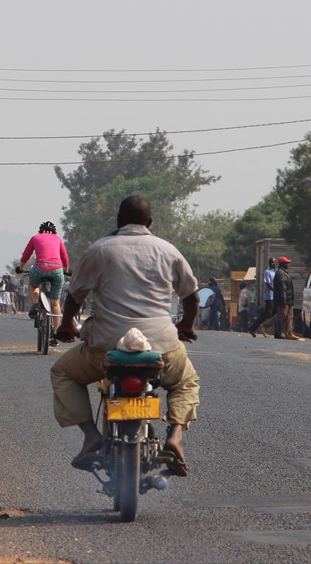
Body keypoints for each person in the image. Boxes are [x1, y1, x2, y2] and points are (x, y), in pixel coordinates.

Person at [52, 195, 200, 477]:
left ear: (118, 222)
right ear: (150, 222)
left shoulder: (99, 250)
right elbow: (191, 297)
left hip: (106, 348)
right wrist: (187, 327)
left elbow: (74, 296)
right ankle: (175, 437)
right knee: (185, 381)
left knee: (63, 372)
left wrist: (67, 325)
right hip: (160, 349)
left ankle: (91, 436)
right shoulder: (168, 250)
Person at [18, 221, 70, 343]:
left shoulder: (35, 238)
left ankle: (36, 304)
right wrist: (66, 270)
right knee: (55, 304)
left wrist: (21, 268)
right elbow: (65, 257)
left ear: (40, 231)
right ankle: (56, 334)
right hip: (57, 270)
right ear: (54, 232)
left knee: (32, 285)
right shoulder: (57, 239)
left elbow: (26, 255)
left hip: (39, 268)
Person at [252, 257, 298, 340]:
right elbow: (282, 288)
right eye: (286, 263)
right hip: (283, 299)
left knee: (290, 316)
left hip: (289, 299)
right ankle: (265, 326)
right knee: (281, 314)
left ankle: (289, 333)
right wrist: (283, 301)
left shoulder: (284, 273)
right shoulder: (280, 273)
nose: (288, 265)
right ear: (282, 264)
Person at [248, 258, 277, 337]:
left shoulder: (276, 272)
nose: (273, 264)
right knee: (268, 314)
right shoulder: (267, 272)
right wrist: (276, 290)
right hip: (269, 296)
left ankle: (274, 331)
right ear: (269, 263)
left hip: (274, 296)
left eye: (274, 262)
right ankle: (256, 327)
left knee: (274, 314)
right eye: (271, 262)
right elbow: (268, 284)